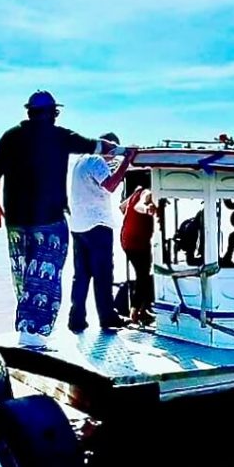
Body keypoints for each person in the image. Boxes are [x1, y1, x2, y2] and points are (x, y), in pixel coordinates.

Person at [0, 91, 121, 346]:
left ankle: (25, 329)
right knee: (46, 278)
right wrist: (119, 150)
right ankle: (35, 335)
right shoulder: (59, 136)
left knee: (23, 273)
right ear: (53, 114)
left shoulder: (10, 136)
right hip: (49, 221)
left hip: (15, 220)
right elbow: (95, 145)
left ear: (29, 112)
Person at [67, 132, 135, 332]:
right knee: (103, 274)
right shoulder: (97, 161)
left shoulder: (81, 160)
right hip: (97, 224)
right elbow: (110, 186)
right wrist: (127, 160)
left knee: (81, 276)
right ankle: (108, 317)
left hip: (78, 224)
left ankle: (76, 319)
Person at [119, 185, 156, 326]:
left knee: (143, 274)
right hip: (137, 242)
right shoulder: (147, 192)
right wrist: (146, 210)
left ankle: (142, 308)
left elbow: (122, 207)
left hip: (126, 239)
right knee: (143, 276)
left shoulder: (136, 191)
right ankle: (136, 311)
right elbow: (139, 206)